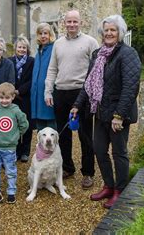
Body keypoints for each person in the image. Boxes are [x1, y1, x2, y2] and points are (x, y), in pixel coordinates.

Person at [71, 15, 141, 209]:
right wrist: (77, 105)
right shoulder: (97, 54)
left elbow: (131, 87)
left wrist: (119, 115)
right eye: (106, 30)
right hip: (100, 112)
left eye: (113, 30)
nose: (109, 33)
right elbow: (88, 83)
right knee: (99, 150)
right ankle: (108, 186)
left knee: (119, 153)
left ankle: (120, 190)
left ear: (120, 33)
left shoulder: (127, 54)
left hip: (118, 115)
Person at [44, 10, 99, 189]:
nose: (72, 25)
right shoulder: (58, 44)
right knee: (63, 134)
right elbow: (52, 69)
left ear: (80, 23)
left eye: (75, 21)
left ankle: (88, 173)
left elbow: (97, 71)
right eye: (69, 22)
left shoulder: (91, 42)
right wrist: (48, 91)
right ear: (64, 23)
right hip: (61, 92)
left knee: (85, 135)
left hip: (82, 93)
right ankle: (67, 167)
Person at [0, 82, 29, 204]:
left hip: (10, 148)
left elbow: (24, 124)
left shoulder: (16, 110)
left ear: (13, 97)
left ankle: (11, 192)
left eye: (7, 98)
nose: (4, 101)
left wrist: (17, 135)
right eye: (1, 98)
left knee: (10, 171)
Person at [8, 36, 35, 162]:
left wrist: (20, 90)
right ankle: (17, 150)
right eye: (19, 47)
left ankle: (25, 151)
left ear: (27, 49)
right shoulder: (9, 61)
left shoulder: (31, 61)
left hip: (26, 97)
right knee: (15, 124)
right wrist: (12, 91)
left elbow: (32, 80)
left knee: (27, 125)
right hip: (12, 98)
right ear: (15, 48)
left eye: (24, 47)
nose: (21, 49)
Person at [30, 23, 57, 130]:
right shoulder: (38, 53)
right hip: (37, 95)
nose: (43, 36)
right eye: (40, 33)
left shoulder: (54, 49)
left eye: (45, 33)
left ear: (50, 34)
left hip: (48, 94)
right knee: (40, 130)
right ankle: (41, 147)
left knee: (51, 127)